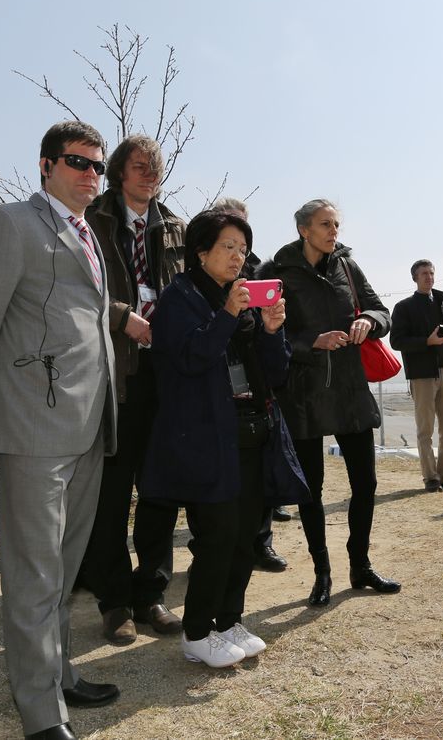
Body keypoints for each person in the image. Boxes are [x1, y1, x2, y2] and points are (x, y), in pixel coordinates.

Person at [0, 121, 118, 740]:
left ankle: (59, 674)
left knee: (65, 569)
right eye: (78, 162)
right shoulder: (10, 223)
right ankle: (41, 713)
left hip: (88, 423)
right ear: (46, 165)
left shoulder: (89, 232)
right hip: (33, 426)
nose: (90, 174)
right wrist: (3, 394)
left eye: (97, 165)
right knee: (34, 575)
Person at [138, 209, 305, 668]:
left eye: (243, 250)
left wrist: (271, 330)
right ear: (201, 251)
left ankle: (228, 620)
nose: (238, 257)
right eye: (228, 247)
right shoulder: (179, 299)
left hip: (251, 429)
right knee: (216, 536)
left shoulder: (244, 300)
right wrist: (230, 313)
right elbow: (192, 358)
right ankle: (197, 633)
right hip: (206, 436)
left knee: (245, 536)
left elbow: (275, 372)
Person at [259, 199, 400, 607]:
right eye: (325, 224)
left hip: (350, 390)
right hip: (303, 393)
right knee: (311, 490)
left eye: (336, 224)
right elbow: (263, 332)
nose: (334, 231)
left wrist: (369, 320)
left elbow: (382, 311)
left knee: (365, 483)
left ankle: (360, 565)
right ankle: (321, 573)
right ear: (304, 229)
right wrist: (310, 342)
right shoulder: (277, 272)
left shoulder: (347, 267)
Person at [82, 135, 186, 645]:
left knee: (160, 491)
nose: (149, 175)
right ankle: (115, 601)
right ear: (119, 172)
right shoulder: (91, 221)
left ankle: (151, 595)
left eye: (155, 167)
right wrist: (122, 317)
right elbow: (75, 291)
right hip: (111, 374)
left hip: (164, 376)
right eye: (140, 166)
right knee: (111, 494)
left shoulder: (178, 228)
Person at [210, 196, 290, 573]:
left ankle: (262, 543)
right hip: (216, 394)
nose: (237, 250)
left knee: (259, 477)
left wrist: (273, 326)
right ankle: (212, 554)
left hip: (257, 390)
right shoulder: (198, 283)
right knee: (221, 489)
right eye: (229, 235)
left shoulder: (259, 270)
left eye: (243, 238)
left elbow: (275, 350)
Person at [390, 259, 443, 493]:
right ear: (415, 278)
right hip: (421, 376)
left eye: (431, 273)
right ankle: (430, 477)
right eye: (424, 273)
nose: (429, 277)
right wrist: (427, 341)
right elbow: (396, 341)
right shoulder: (404, 307)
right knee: (425, 430)